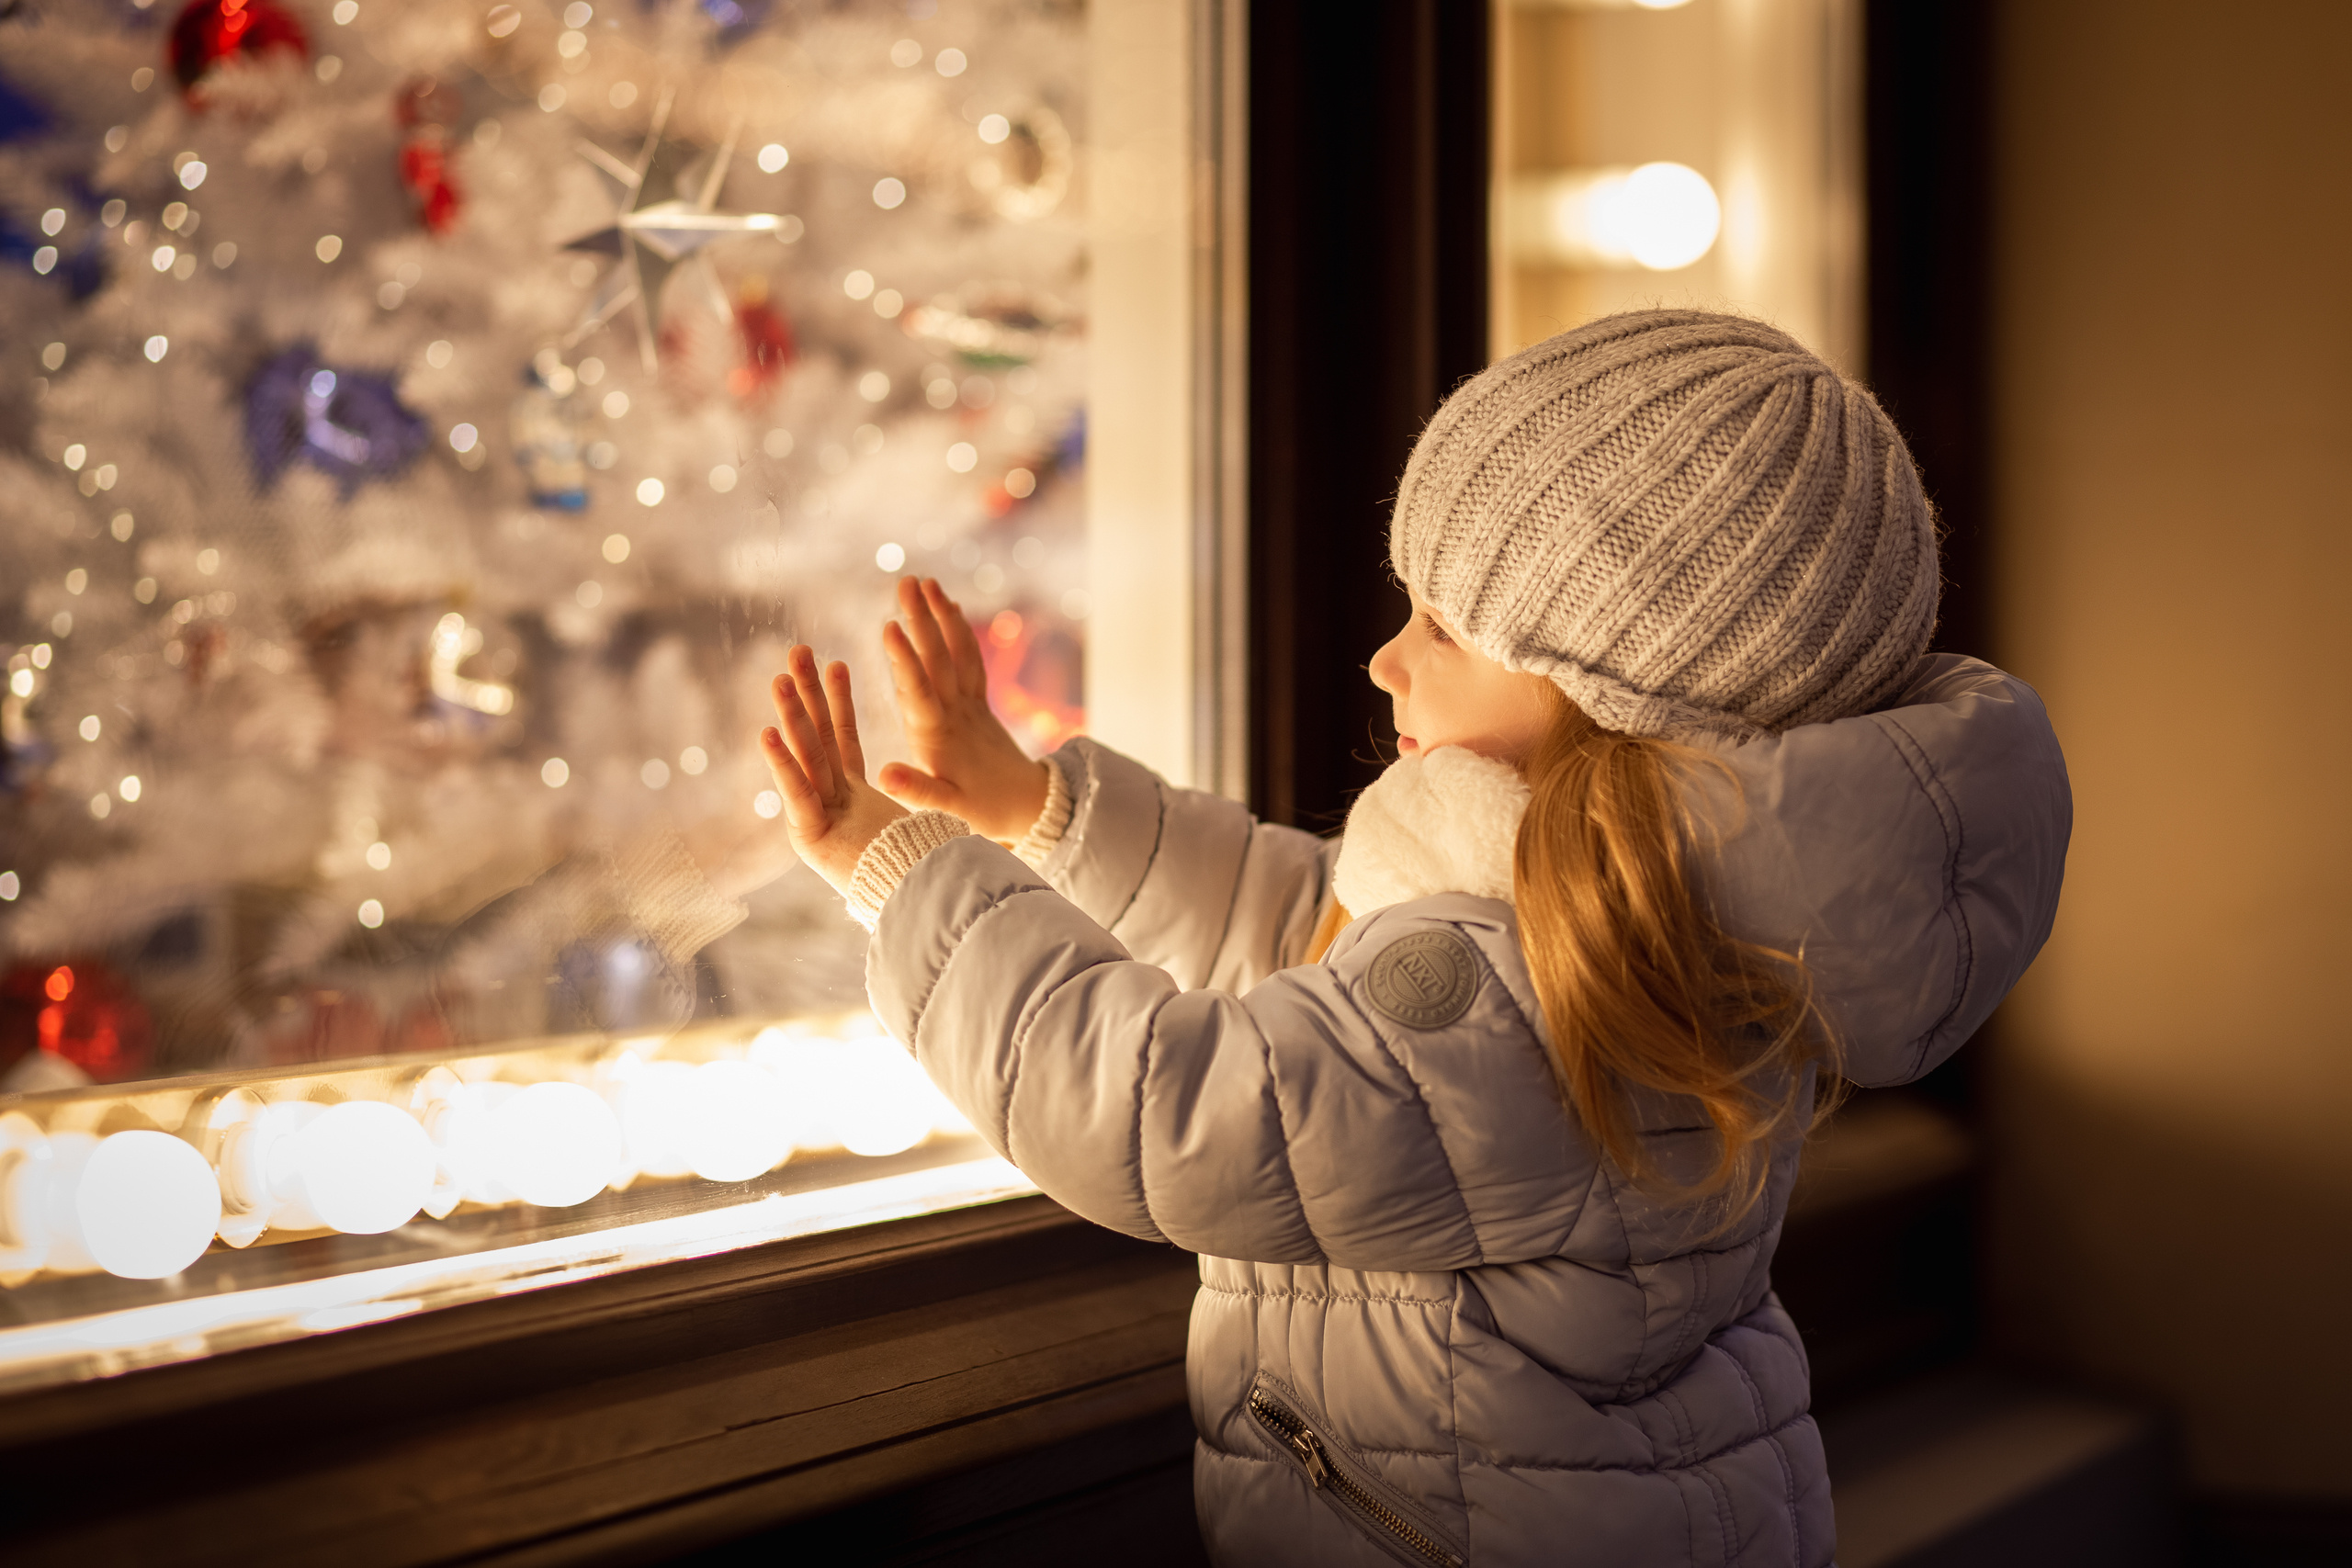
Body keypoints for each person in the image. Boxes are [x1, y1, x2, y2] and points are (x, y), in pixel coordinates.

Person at [756, 310, 2072, 1567]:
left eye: (1441, 629)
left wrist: (909, 875)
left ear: (1613, 696)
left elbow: (1173, 1111)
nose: (1387, 661)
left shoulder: (1530, 1011)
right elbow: (1314, 943)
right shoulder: (1644, 920)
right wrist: (1041, 809)